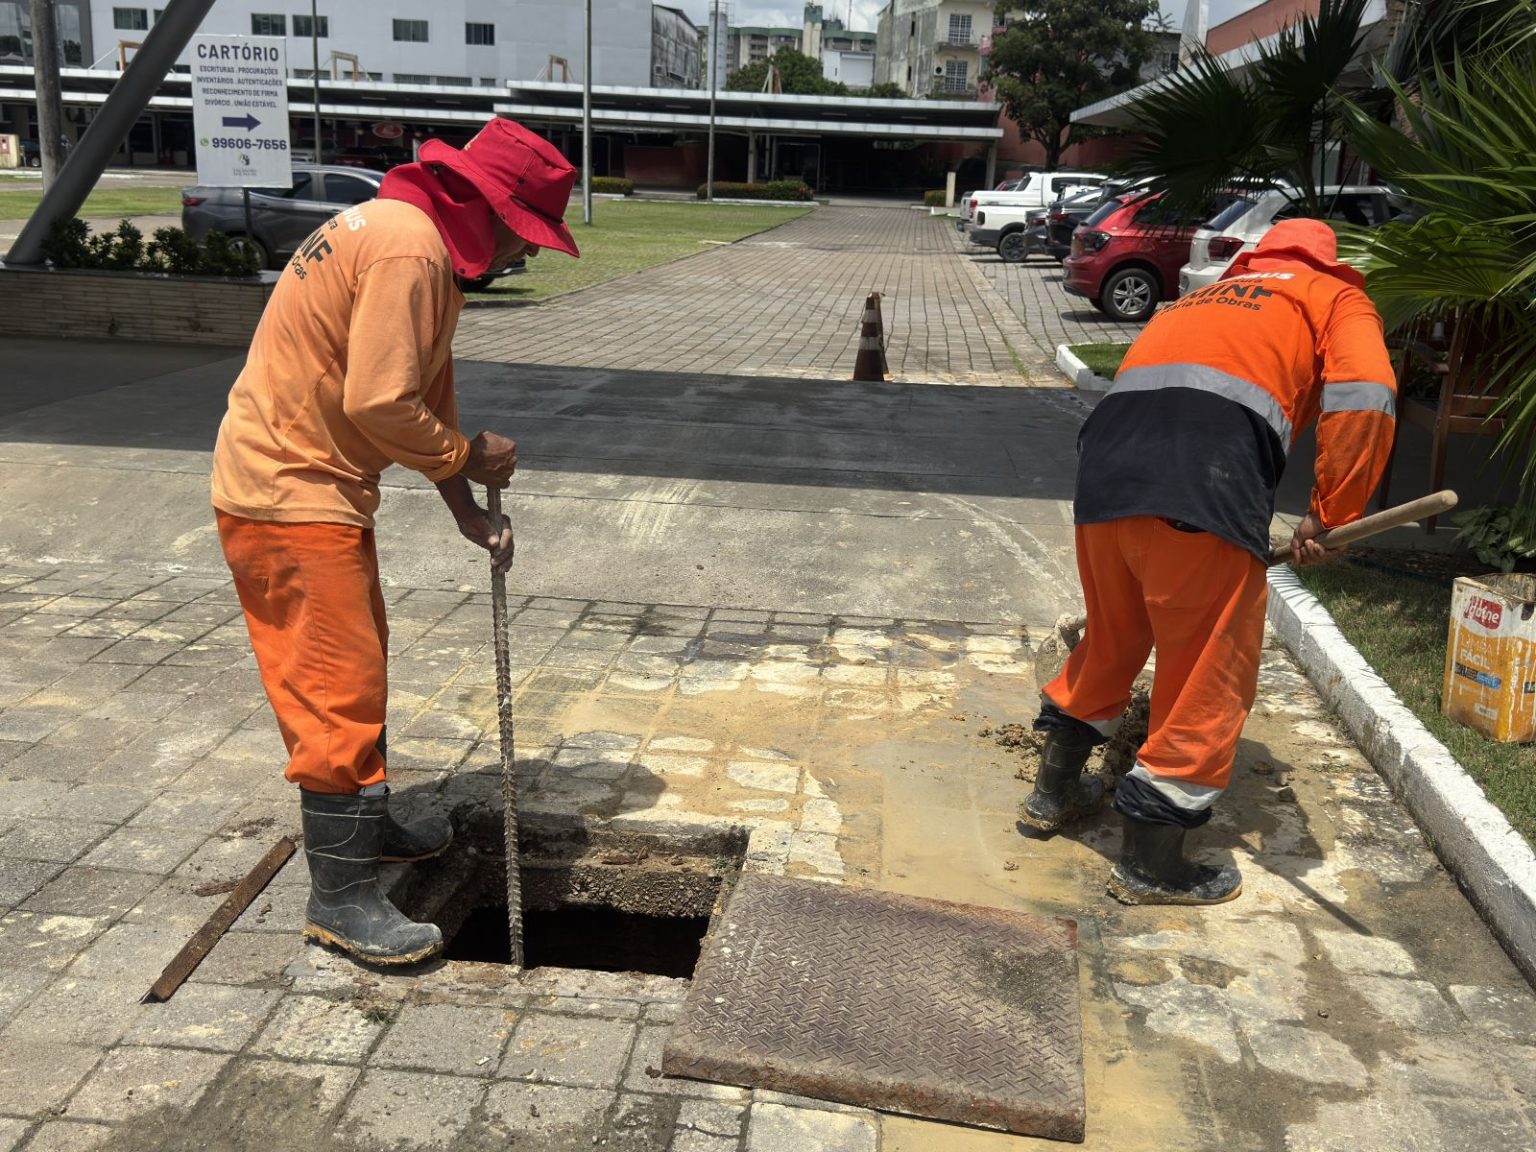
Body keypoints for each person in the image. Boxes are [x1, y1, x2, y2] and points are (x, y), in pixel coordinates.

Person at [210, 117, 579, 964]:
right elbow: (384, 407)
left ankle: (366, 826)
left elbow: (420, 399)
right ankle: (340, 898)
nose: (521, 257)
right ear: (487, 209)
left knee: (358, 661)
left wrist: (464, 509)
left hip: (311, 492)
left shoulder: (414, 244)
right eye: (523, 238)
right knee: (334, 687)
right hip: (287, 494)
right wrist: (468, 456)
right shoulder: (410, 253)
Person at [1018, 218, 1397, 906]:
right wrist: (1335, 514)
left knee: (1113, 637)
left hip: (1104, 478)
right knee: (1204, 673)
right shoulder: (1333, 297)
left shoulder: (1206, 296)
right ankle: (1152, 862)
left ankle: (1053, 792)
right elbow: (1366, 392)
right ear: (1329, 260)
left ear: (1255, 256)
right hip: (1203, 485)